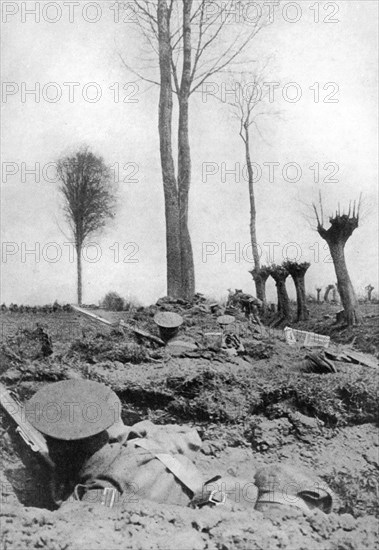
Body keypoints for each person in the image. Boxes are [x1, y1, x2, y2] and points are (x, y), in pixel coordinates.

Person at [25, 380, 334, 513]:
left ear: (63, 447)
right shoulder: (145, 439)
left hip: (240, 517)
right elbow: (192, 437)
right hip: (242, 492)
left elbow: (81, 526)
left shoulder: (105, 486)